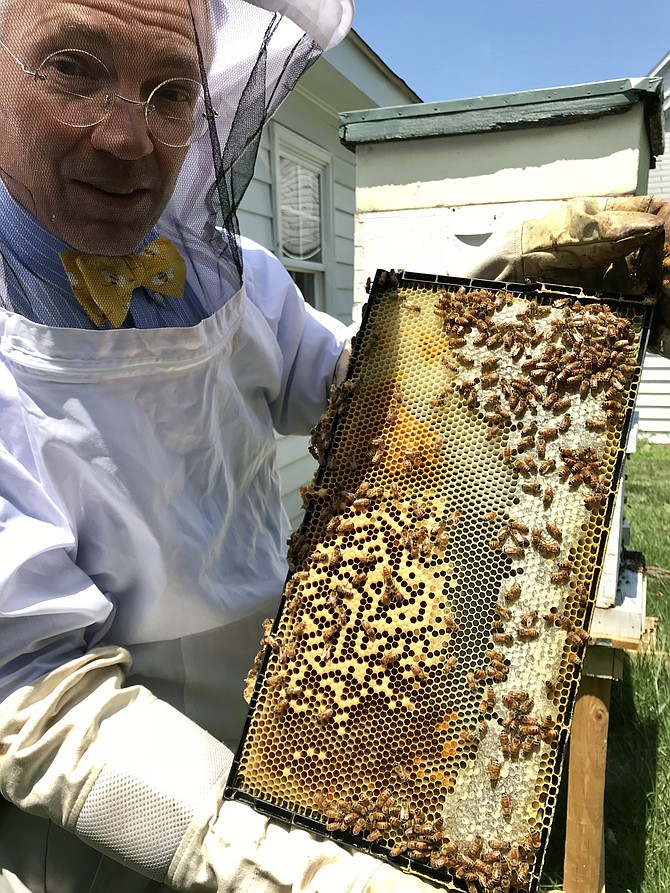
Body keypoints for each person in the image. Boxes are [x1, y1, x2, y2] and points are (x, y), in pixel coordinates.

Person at [0, 1, 669, 891]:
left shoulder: (232, 275)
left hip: (288, 735)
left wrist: (502, 299)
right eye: (74, 69)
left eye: (170, 93)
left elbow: (381, 398)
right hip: (98, 830)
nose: (127, 136)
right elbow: (34, 696)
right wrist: (296, 870)